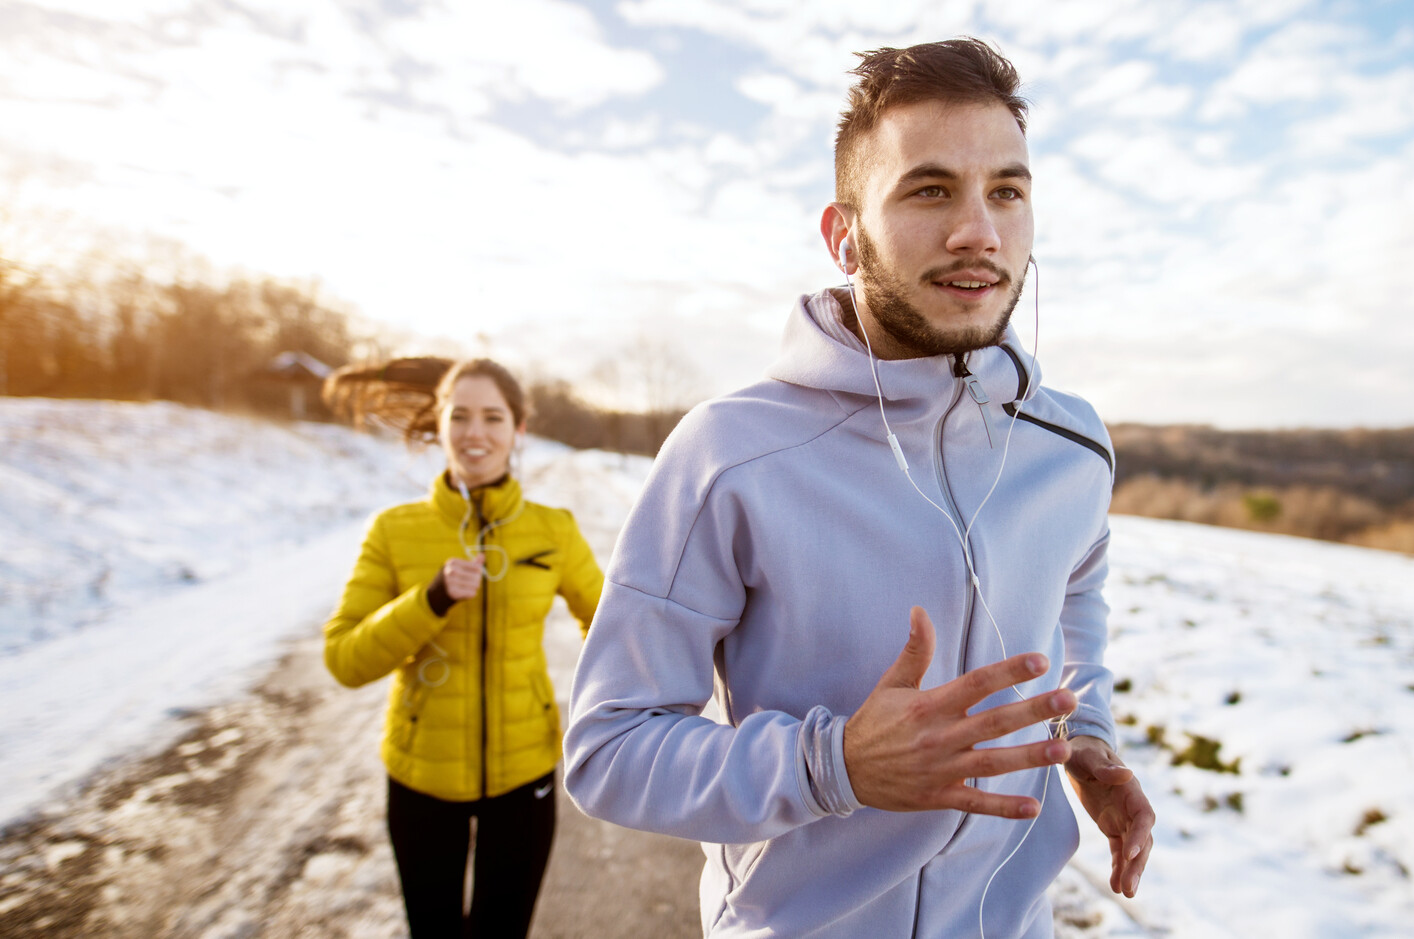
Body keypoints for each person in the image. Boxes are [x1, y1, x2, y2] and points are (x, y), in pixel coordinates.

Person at [563, 38, 1155, 938]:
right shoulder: (731, 453)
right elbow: (609, 748)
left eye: (1007, 189)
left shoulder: (1071, 445)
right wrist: (828, 763)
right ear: (845, 235)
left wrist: (1090, 736)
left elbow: (1076, 598)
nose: (978, 231)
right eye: (929, 189)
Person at [321, 356, 603, 939]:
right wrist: (430, 599)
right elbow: (345, 659)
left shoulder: (554, 530)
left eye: (493, 418)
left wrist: (607, 714)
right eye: (461, 416)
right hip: (421, 779)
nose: (476, 433)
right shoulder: (394, 531)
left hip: (524, 779)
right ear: (441, 424)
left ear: (518, 429)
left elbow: (609, 631)